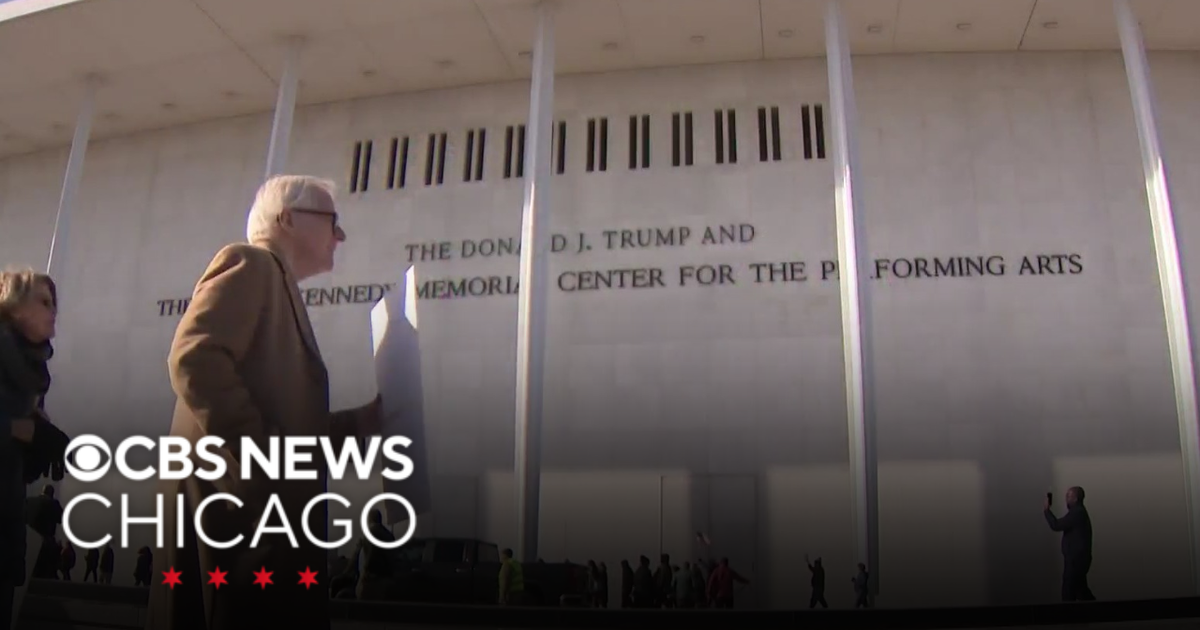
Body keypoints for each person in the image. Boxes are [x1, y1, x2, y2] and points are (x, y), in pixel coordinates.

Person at [143, 176, 382, 630]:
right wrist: (261, 458)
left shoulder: (277, 284)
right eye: (333, 221)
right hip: (238, 523)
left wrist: (360, 423)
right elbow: (195, 357)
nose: (341, 236)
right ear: (287, 219)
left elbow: (290, 428)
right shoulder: (251, 263)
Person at [1, 268, 70, 630]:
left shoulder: (30, 373)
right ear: (13, 307)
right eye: (43, 302)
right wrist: (24, 432)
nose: (53, 311)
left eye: (55, 303)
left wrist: (44, 446)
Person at [1044, 486, 1095, 602]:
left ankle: (1067, 617)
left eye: (1068, 496)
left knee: (1069, 591)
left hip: (1075, 560)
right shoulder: (1080, 513)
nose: (1066, 498)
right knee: (1081, 591)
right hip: (1079, 560)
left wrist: (1047, 510)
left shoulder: (1077, 513)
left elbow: (1056, 525)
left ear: (1075, 499)